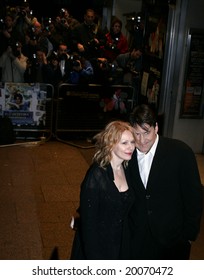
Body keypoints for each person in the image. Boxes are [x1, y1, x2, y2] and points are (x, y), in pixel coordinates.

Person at [128, 104, 203, 260]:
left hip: (173, 239)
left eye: (146, 132)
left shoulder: (181, 152)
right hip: (138, 237)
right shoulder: (128, 153)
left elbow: (193, 197)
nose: (141, 140)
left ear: (156, 127)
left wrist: (188, 236)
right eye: (136, 134)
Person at [70, 120, 136, 260]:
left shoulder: (127, 168)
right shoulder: (96, 175)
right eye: (124, 143)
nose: (130, 147)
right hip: (98, 248)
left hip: (120, 243)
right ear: (110, 144)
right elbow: (89, 226)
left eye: (132, 142)